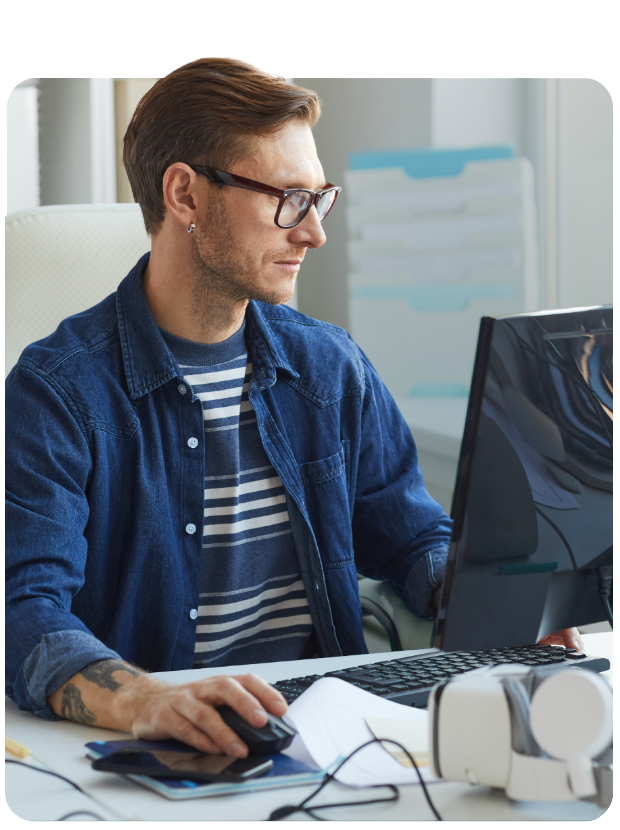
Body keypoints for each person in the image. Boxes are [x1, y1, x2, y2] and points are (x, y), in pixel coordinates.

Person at [4, 58, 582, 760]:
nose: (314, 234)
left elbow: (407, 537)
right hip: (150, 741)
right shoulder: (57, 393)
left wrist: (497, 597)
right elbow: (25, 613)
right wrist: (143, 696)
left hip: (329, 730)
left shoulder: (328, 368)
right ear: (185, 194)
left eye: (319, 199)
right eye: (288, 200)